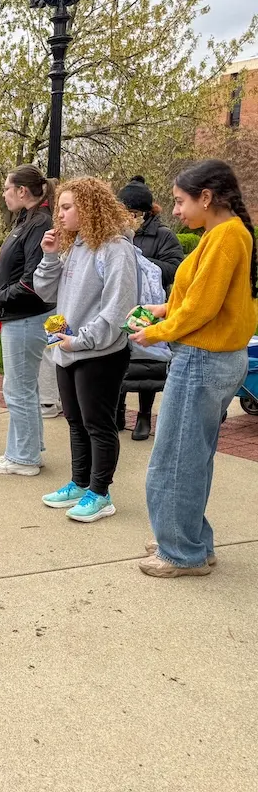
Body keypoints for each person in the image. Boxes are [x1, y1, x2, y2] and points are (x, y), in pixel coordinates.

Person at [130, 159, 257, 577]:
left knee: (176, 458)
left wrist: (159, 331)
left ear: (206, 197)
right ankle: (188, 539)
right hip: (215, 357)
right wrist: (165, 308)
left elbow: (203, 308)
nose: (176, 211)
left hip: (203, 358)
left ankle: (181, 552)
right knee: (192, 456)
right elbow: (210, 297)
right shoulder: (226, 234)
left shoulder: (225, 237)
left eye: (181, 201)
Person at [33, 177, 138, 522]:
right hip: (67, 348)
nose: (59, 215)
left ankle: (100, 493)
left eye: (66, 207)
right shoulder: (74, 246)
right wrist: (49, 257)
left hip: (99, 352)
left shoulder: (115, 248)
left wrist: (80, 340)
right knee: (75, 420)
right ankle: (80, 483)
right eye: (59, 208)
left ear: (89, 207)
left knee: (98, 423)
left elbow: (118, 308)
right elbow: (49, 295)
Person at [0, 165, 56, 475]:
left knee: (18, 389)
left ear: (22, 191)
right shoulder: (28, 220)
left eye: (6, 189)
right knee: (23, 387)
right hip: (18, 317)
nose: (4, 194)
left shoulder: (39, 223)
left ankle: (24, 457)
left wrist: (0, 297)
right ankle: (27, 449)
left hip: (25, 318)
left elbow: (32, 279)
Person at [116, 176, 185, 440]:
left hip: (149, 307)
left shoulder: (163, 235)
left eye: (133, 213)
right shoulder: (116, 234)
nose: (129, 217)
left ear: (145, 212)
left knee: (147, 361)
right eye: (125, 212)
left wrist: (141, 262)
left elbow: (175, 268)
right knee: (120, 358)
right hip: (123, 304)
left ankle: (144, 415)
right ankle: (118, 409)